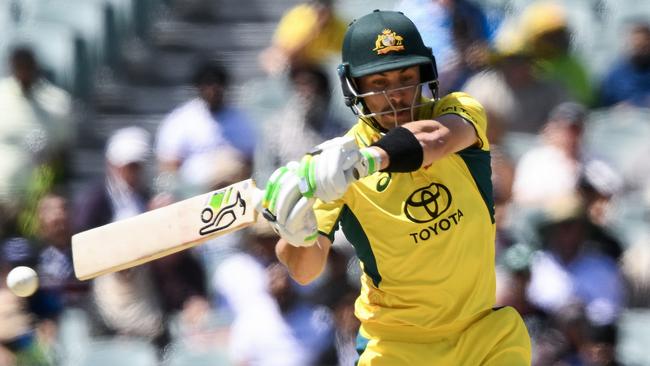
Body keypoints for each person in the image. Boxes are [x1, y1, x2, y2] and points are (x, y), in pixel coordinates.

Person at [260, 10, 531, 365]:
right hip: (396, 349)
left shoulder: (457, 111)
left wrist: (365, 160)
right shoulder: (337, 169)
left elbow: (431, 141)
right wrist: (296, 230)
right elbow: (304, 270)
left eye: (406, 77)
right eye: (379, 83)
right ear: (354, 87)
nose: (396, 97)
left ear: (425, 73)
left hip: (483, 335)